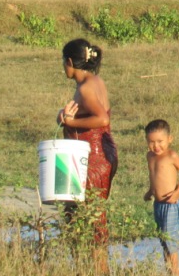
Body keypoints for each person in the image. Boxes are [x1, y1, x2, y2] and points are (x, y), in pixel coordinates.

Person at [57, 38, 118, 273]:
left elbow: (101, 119)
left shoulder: (85, 88)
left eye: (63, 61)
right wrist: (65, 117)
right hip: (100, 154)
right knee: (87, 215)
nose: (63, 66)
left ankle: (98, 270)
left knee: (89, 219)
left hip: (93, 158)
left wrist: (71, 122)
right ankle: (87, 268)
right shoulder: (95, 81)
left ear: (70, 62)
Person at [144, 119, 179, 276]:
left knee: (171, 240)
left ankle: (176, 271)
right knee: (163, 239)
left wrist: (177, 192)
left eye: (160, 141)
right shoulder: (150, 156)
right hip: (158, 204)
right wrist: (150, 191)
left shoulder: (171, 155)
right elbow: (153, 175)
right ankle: (169, 269)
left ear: (170, 139)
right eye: (151, 142)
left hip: (171, 205)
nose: (156, 146)